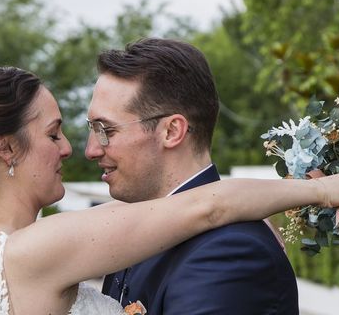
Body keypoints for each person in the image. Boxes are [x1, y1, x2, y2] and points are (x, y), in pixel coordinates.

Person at [0, 66, 339, 315]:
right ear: (6, 148)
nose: (73, 148)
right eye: (54, 134)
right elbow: (208, 209)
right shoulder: (34, 249)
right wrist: (325, 190)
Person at [86, 38, 306, 314]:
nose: (91, 150)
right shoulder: (137, 224)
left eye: (106, 130)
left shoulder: (229, 252)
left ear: (171, 131)